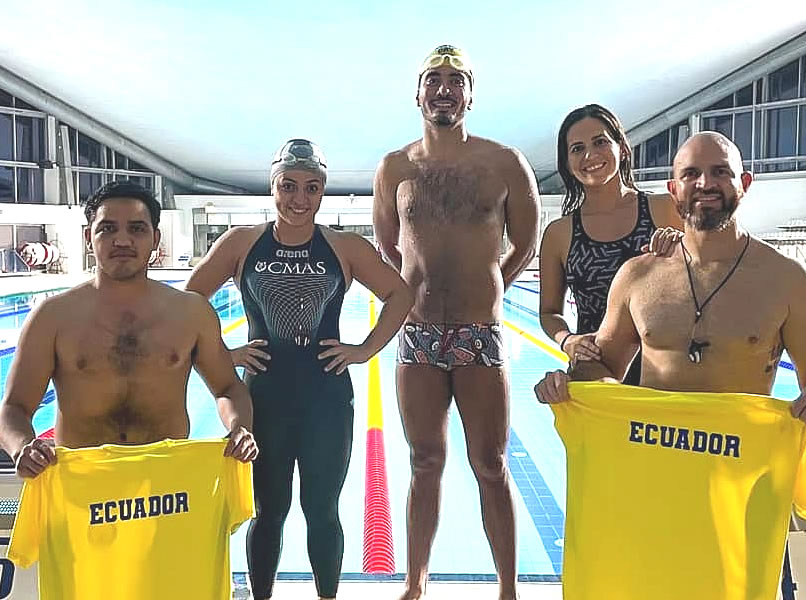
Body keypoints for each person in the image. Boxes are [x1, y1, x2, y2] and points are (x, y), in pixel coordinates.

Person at [185, 139, 412, 600]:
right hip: (263, 399)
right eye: (288, 186)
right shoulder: (242, 243)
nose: (299, 198)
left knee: (322, 511)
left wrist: (364, 350)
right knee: (268, 512)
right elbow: (187, 303)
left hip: (327, 401)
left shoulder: (344, 247)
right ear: (273, 187)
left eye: (311, 188)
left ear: (322, 191)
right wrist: (224, 354)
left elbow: (400, 294)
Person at [373, 45, 540, 600]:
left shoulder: (503, 162)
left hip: (479, 333)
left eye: (455, 80)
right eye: (433, 79)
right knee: (424, 462)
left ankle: (509, 589)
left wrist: (492, 288)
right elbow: (388, 246)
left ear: (470, 95)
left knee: (490, 464)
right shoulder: (394, 168)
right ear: (417, 93)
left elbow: (527, 241)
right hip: (417, 333)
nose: (444, 88)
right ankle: (415, 583)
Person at [534, 131, 806, 427]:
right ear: (673, 190)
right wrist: (570, 383)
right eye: (690, 174)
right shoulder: (638, 275)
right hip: (654, 453)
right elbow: (601, 365)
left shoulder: (788, 280)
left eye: (720, 172)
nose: (705, 183)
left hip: (738, 457)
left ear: (744, 184)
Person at [0, 180, 258, 479]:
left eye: (136, 229)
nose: (122, 241)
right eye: (107, 229)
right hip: (83, 482)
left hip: (166, 481)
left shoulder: (192, 313)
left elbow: (228, 388)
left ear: (155, 238)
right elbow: (14, 408)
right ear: (88, 237)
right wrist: (22, 447)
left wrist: (239, 428)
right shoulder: (52, 317)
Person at [540, 104, 683, 383]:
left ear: (623, 149)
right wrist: (567, 340)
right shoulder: (559, 233)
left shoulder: (665, 209)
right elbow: (549, 312)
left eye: (600, 142)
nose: (590, 155)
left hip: (665, 374)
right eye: (577, 148)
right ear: (567, 163)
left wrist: (682, 250)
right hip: (597, 372)